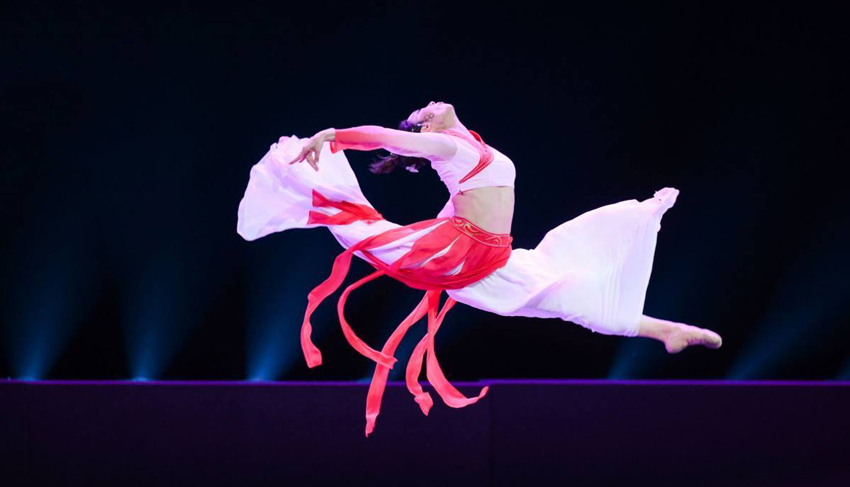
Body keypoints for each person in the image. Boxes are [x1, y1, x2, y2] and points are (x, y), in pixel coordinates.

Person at [236, 101, 722, 436]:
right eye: (422, 115)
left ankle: (666, 330)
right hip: (467, 254)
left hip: (490, 257)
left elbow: (453, 201)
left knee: (570, 292)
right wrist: (335, 137)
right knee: (365, 231)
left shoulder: (467, 141)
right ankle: (301, 188)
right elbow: (385, 137)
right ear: (427, 132)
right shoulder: (449, 148)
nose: (426, 107)